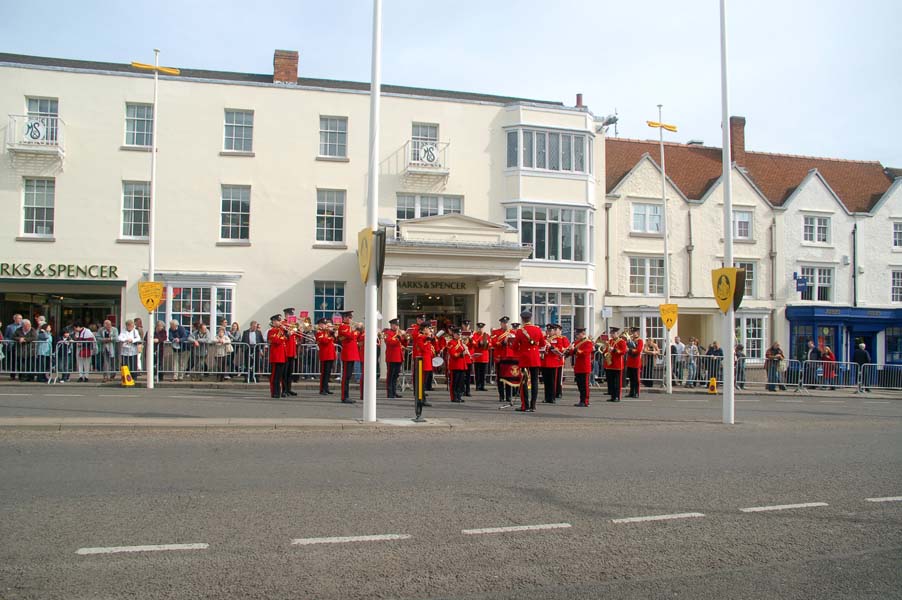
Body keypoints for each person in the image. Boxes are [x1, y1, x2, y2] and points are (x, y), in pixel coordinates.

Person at [513, 311, 544, 413]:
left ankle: (525, 405)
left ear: (522, 319)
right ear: (530, 318)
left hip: (525, 358)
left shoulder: (520, 331)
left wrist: (521, 350)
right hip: (535, 358)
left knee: (524, 382)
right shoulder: (537, 329)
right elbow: (542, 343)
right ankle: (533, 405)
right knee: (535, 382)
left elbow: (514, 346)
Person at [491, 317, 515, 405]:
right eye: (503, 323)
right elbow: (493, 342)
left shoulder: (512, 333)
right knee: (500, 377)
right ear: (501, 324)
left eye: (506, 323)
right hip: (499, 357)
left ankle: (508, 395)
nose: (505, 324)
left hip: (509, 357)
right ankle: (501, 395)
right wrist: (503, 342)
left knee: (508, 377)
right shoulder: (496, 332)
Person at [337, 311, 359, 404]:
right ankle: (344, 396)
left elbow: (355, 336)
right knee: (346, 376)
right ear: (345, 318)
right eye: (349, 317)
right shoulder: (343, 327)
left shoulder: (349, 327)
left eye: (351, 317)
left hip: (352, 353)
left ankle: (347, 396)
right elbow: (351, 336)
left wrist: (355, 332)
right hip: (347, 354)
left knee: (349, 376)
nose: (350, 319)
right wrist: (355, 331)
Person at [541, 324, 565, 404]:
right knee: (546, 381)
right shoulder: (544, 338)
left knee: (552, 381)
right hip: (544, 362)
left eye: (550, 331)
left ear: (554, 331)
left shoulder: (558, 339)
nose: (549, 332)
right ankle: (546, 397)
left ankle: (552, 397)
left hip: (553, 362)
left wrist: (551, 346)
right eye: (548, 330)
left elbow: (560, 348)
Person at [569, 328, 594, 406]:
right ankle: (581, 400)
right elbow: (572, 353)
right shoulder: (577, 342)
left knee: (585, 386)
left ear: (582, 334)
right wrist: (570, 349)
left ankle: (585, 401)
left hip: (584, 366)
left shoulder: (588, 343)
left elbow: (584, 353)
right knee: (579, 385)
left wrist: (575, 349)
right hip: (578, 366)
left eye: (578, 334)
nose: (577, 336)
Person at [383, 318, 407, 399]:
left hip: (399, 357)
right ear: (391, 325)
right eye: (395, 325)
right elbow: (389, 342)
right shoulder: (387, 333)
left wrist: (405, 338)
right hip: (391, 357)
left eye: (397, 325)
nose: (396, 327)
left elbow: (404, 344)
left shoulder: (398, 333)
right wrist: (398, 338)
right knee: (390, 376)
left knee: (396, 376)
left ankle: (394, 391)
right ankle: (389, 393)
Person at [266, 314, 287, 398]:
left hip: (282, 356)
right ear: (274, 322)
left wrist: (286, 333)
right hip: (276, 356)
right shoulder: (271, 331)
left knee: (280, 375)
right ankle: (274, 392)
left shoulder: (281, 330)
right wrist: (283, 337)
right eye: (278, 321)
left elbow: (285, 339)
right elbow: (276, 341)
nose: (279, 322)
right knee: (275, 375)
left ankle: (279, 391)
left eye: (279, 321)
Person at [414, 324, 436, 405]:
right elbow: (422, 348)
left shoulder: (426, 337)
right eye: (428, 328)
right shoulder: (420, 337)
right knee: (421, 382)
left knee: (424, 382)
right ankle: (421, 399)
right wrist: (427, 340)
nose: (429, 330)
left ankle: (422, 398)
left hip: (427, 362)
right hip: (423, 362)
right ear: (424, 329)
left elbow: (433, 349)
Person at [446, 328, 469, 402]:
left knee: (460, 382)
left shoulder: (460, 342)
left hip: (461, 365)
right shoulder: (451, 343)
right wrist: (462, 353)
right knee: (454, 382)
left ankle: (459, 396)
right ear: (454, 334)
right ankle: (454, 397)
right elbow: (453, 354)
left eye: (460, 334)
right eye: (457, 334)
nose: (459, 335)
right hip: (455, 365)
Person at [315, 319, 337, 395]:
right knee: (324, 373)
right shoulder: (319, 332)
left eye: (326, 324)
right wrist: (331, 338)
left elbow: (334, 339)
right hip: (325, 355)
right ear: (320, 324)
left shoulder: (328, 332)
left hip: (330, 354)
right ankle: (322, 389)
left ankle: (326, 388)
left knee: (328, 373)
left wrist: (333, 334)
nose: (325, 325)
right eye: (324, 324)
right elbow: (324, 341)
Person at [281, 308, 299, 396]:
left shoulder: (294, 325)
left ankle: (289, 389)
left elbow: (296, 338)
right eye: (290, 315)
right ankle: (284, 390)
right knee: (284, 372)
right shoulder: (283, 324)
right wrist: (288, 333)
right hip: (286, 351)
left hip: (292, 351)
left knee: (290, 372)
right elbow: (284, 336)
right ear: (286, 315)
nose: (291, 316)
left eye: (292, 315)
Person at [607, 330, 628, 402]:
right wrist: (605, 352)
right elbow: (607, 350)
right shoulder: (610, 341)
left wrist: (614, 350)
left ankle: (617, 396)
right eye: (611, 333)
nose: (612, 335)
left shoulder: (622, 341)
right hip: (610, 364)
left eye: (613, 333)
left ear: (617, 334)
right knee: (611, 382)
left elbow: (623, 351)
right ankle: (612, 396)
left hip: (617, 364)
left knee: (617, 382)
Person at [471, 322, 490, 391]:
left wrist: (487, 343)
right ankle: (477, 386)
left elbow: (490, 344)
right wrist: (479, 343)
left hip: (484, 356)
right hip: (477, 356)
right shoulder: (475, 335)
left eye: (481, 328)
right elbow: (474, 343)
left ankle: (482, 385)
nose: (480, 329)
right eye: (479, 328)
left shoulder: (486, 335)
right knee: (477, 372)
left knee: (483, 372)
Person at [626, 327, 644, 398]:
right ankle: (631, 392)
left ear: (637, 333)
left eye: (634, 332)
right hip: (630, 361)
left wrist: (629, 349)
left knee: (636, 379)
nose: (633, 334)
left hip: (636, 361)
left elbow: (638, 350)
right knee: (631, 378)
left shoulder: (640, 341)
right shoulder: (631, 340)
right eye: (632, 332)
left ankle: (636, 392)